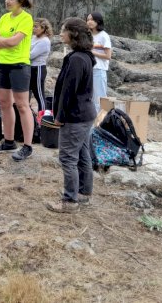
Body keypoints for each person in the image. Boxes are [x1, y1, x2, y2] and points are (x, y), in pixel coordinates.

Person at [46, 17, 97, 213]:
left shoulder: (77, 59)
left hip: (75, 116)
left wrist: (60, 116)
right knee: (83, 154)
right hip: (85, 114)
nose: (60, 33)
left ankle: (69, 201)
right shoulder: (83, 56)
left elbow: (69, 91)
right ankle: (84, 193)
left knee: (68, 157)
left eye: (63, 30)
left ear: (73, 34)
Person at [0, 0, 35, 161]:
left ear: (21, 1)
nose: (7, 1)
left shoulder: (26, 19)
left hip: (19, 66)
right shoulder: (4, 18)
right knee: (4, 103)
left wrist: (2, 41)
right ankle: (9, 141)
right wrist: (3, 42)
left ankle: (28, 146)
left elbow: (15, 42)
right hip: (1, 65)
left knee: (22, 105)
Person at [86, 12, 111, 112]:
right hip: (88, 70)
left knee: (99, 99)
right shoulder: (88, 35)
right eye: (87, 19)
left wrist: (92, 52)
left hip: (99, 71)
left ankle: (99, 124)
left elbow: (108, 56)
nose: (89, 22)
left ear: (98, 21)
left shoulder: (104, 36)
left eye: (92, 19)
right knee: (89, 99)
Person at [30, 18, 53, 113]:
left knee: (39, 95)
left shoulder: (45, 41)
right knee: (27, 93)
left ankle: (42, 118)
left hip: (38, 69)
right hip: (30, 68)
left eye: (36, 27)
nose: (34, 29)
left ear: (43, 28)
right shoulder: (34, 38)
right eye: (33, 26)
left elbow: (30, 55)